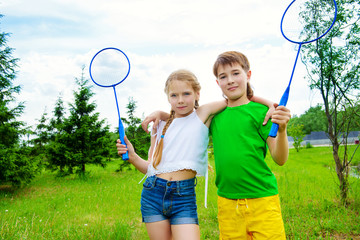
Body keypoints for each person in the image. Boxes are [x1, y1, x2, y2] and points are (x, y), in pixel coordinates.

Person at [117, 69, 274, 240]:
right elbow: (151, 168)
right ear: (168, 97)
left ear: (197, 93)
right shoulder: (160, 125)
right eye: (174, 96)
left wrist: (270, 103)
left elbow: (237, 97)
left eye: (186, 93)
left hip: (183, 197)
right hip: (152, 193)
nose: (181, 100)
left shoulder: (203, 114)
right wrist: (132, 156)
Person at [211, 51, 291, 239]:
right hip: (227, 203)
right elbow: (188, 114)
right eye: (223, 76)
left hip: (263, 201)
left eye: (235, 73)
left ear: (248, 75)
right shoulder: (214, 115)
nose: (230, 80)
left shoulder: (263, 112)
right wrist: (163, 114)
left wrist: (281, 130)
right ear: (217, 83)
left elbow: (280, 159)